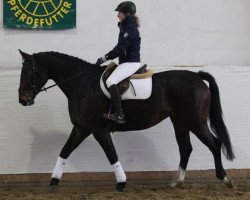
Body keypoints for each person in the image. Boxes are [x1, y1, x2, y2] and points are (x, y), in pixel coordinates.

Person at [95, 1, 141, 124]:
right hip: (126, 62)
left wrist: (103, 58)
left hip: (130, 63)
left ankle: (120, 114)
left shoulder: (129, 29)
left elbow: (120, 49)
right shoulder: (126, 27)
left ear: (127, 14)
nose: (118, 16)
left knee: (111, 81)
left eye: (119, 13)